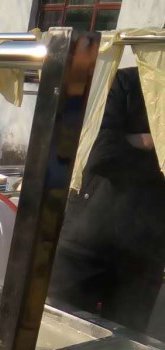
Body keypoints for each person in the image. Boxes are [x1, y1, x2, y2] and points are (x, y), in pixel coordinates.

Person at [49, 67, 165, 333]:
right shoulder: (126, 82)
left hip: (144, 254)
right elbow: (99, 152)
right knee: (58, 331)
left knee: (123, 344)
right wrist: (158, 151)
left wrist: (143, 142)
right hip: (87, 241)